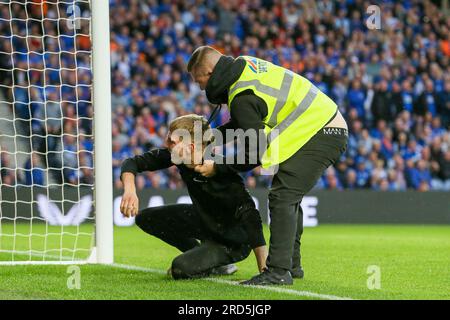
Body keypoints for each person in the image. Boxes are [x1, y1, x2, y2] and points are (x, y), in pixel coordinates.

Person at [189, 46, 348, 285]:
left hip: (319, 130)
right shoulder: (244, 70)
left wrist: (217, 167)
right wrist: (209, 139)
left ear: (210, 72)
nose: (201, 88)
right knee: (288, 195)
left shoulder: (241, 95)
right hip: (322, 125)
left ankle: (278, 272)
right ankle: (290, 266)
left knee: (283, 196)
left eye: (199, 81)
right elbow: (245, 122)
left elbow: (254, 153)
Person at [120, 114, 267, 279]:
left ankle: (219, 262)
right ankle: (201, 257)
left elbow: (250, 215)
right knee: (145, 218)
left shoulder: (220, 169)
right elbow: (132, 163)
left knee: (180, 269)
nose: (166, 144)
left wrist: (264, 269)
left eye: (172, 142)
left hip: (232, 240)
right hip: (205, 221)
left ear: (190, 146)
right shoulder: (177, 157)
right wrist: (130, 190)